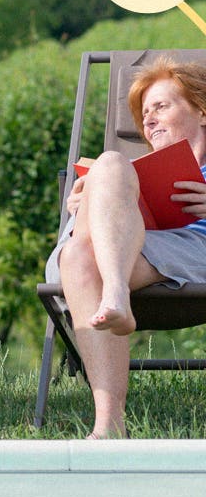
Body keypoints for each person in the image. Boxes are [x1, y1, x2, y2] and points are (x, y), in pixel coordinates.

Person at [45, 56, 206, 439]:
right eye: (144, 113)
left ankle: (109, 425)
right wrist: (81, 211)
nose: (148, 119)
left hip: (193, 248)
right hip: (105, 259)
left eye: (161, 106)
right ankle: (115, 292)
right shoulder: (127, 174)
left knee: (86, 251)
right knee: (110, 166)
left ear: (202, 111)